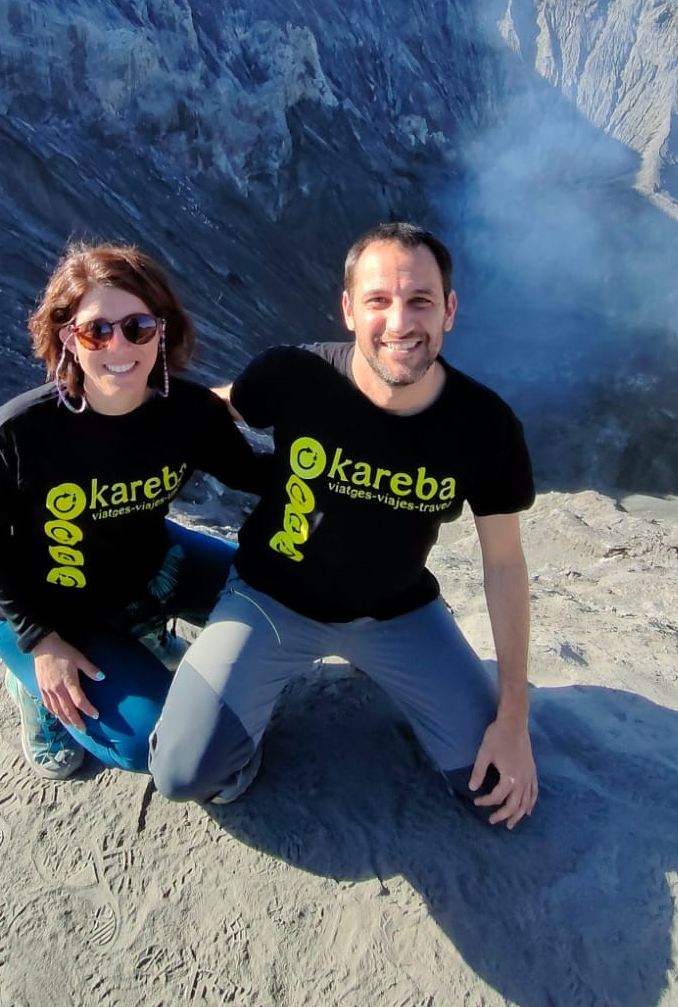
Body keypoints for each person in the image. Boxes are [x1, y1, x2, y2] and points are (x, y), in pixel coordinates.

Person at [150, 222, 538, 828]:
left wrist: (514, 716)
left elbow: (506, 565)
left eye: (420, 301)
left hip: (398, 612)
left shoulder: (485, 427)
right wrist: (116, 426)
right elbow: (221, 405)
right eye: (379, 300)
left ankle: (391, 673)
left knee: (489, 789)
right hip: (271, 597)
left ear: (450, 310)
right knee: (185, 772)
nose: (401, 323)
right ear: (349, 310)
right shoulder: (294, 375)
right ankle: (240, 712)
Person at [0, 241, 266, 780]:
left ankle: (139, 637)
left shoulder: (188, 414)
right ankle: (34, 686)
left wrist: (333, 424)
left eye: (138, 327)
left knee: (277, 600)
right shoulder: (21, 431)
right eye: (96, 330)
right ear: (68, 340)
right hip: (51, 611)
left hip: (149, 569)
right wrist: (42, 641)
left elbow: (258, 477)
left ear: (161, 332)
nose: (118, 344)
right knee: (151, 741)